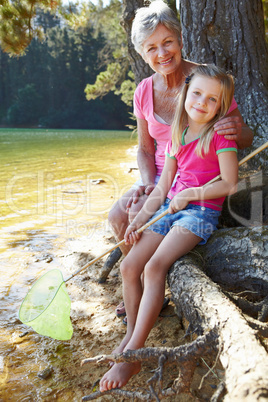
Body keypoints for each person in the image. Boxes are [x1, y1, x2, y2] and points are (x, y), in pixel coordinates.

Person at [99, 63, 239, 391]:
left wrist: (192, 193)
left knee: (153, 267)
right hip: (168, 210)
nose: (202, 102)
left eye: (212, 99)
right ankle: (131, 340)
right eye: (197, 93)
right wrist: (138, 220)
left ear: (221, 106)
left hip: (197, 214)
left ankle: (133, 352)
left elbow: (230, 183)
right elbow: (162, 188)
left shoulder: (219, 136)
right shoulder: (177, 135)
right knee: (130, 265)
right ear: (186, 94)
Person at [110, 0, 253, 319]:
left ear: (180, 38)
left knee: (140, 220)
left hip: (197, 181)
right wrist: (147, 184)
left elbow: (245, 138)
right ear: (142, 54)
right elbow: (145, 149)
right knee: (119, 216)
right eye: (151, 48)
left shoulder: (205, 81)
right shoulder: (144, 91)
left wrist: (236, 129)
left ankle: (152, 278)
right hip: (161, 179)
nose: (161, 54)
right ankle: (146, 290)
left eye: (167, 42)